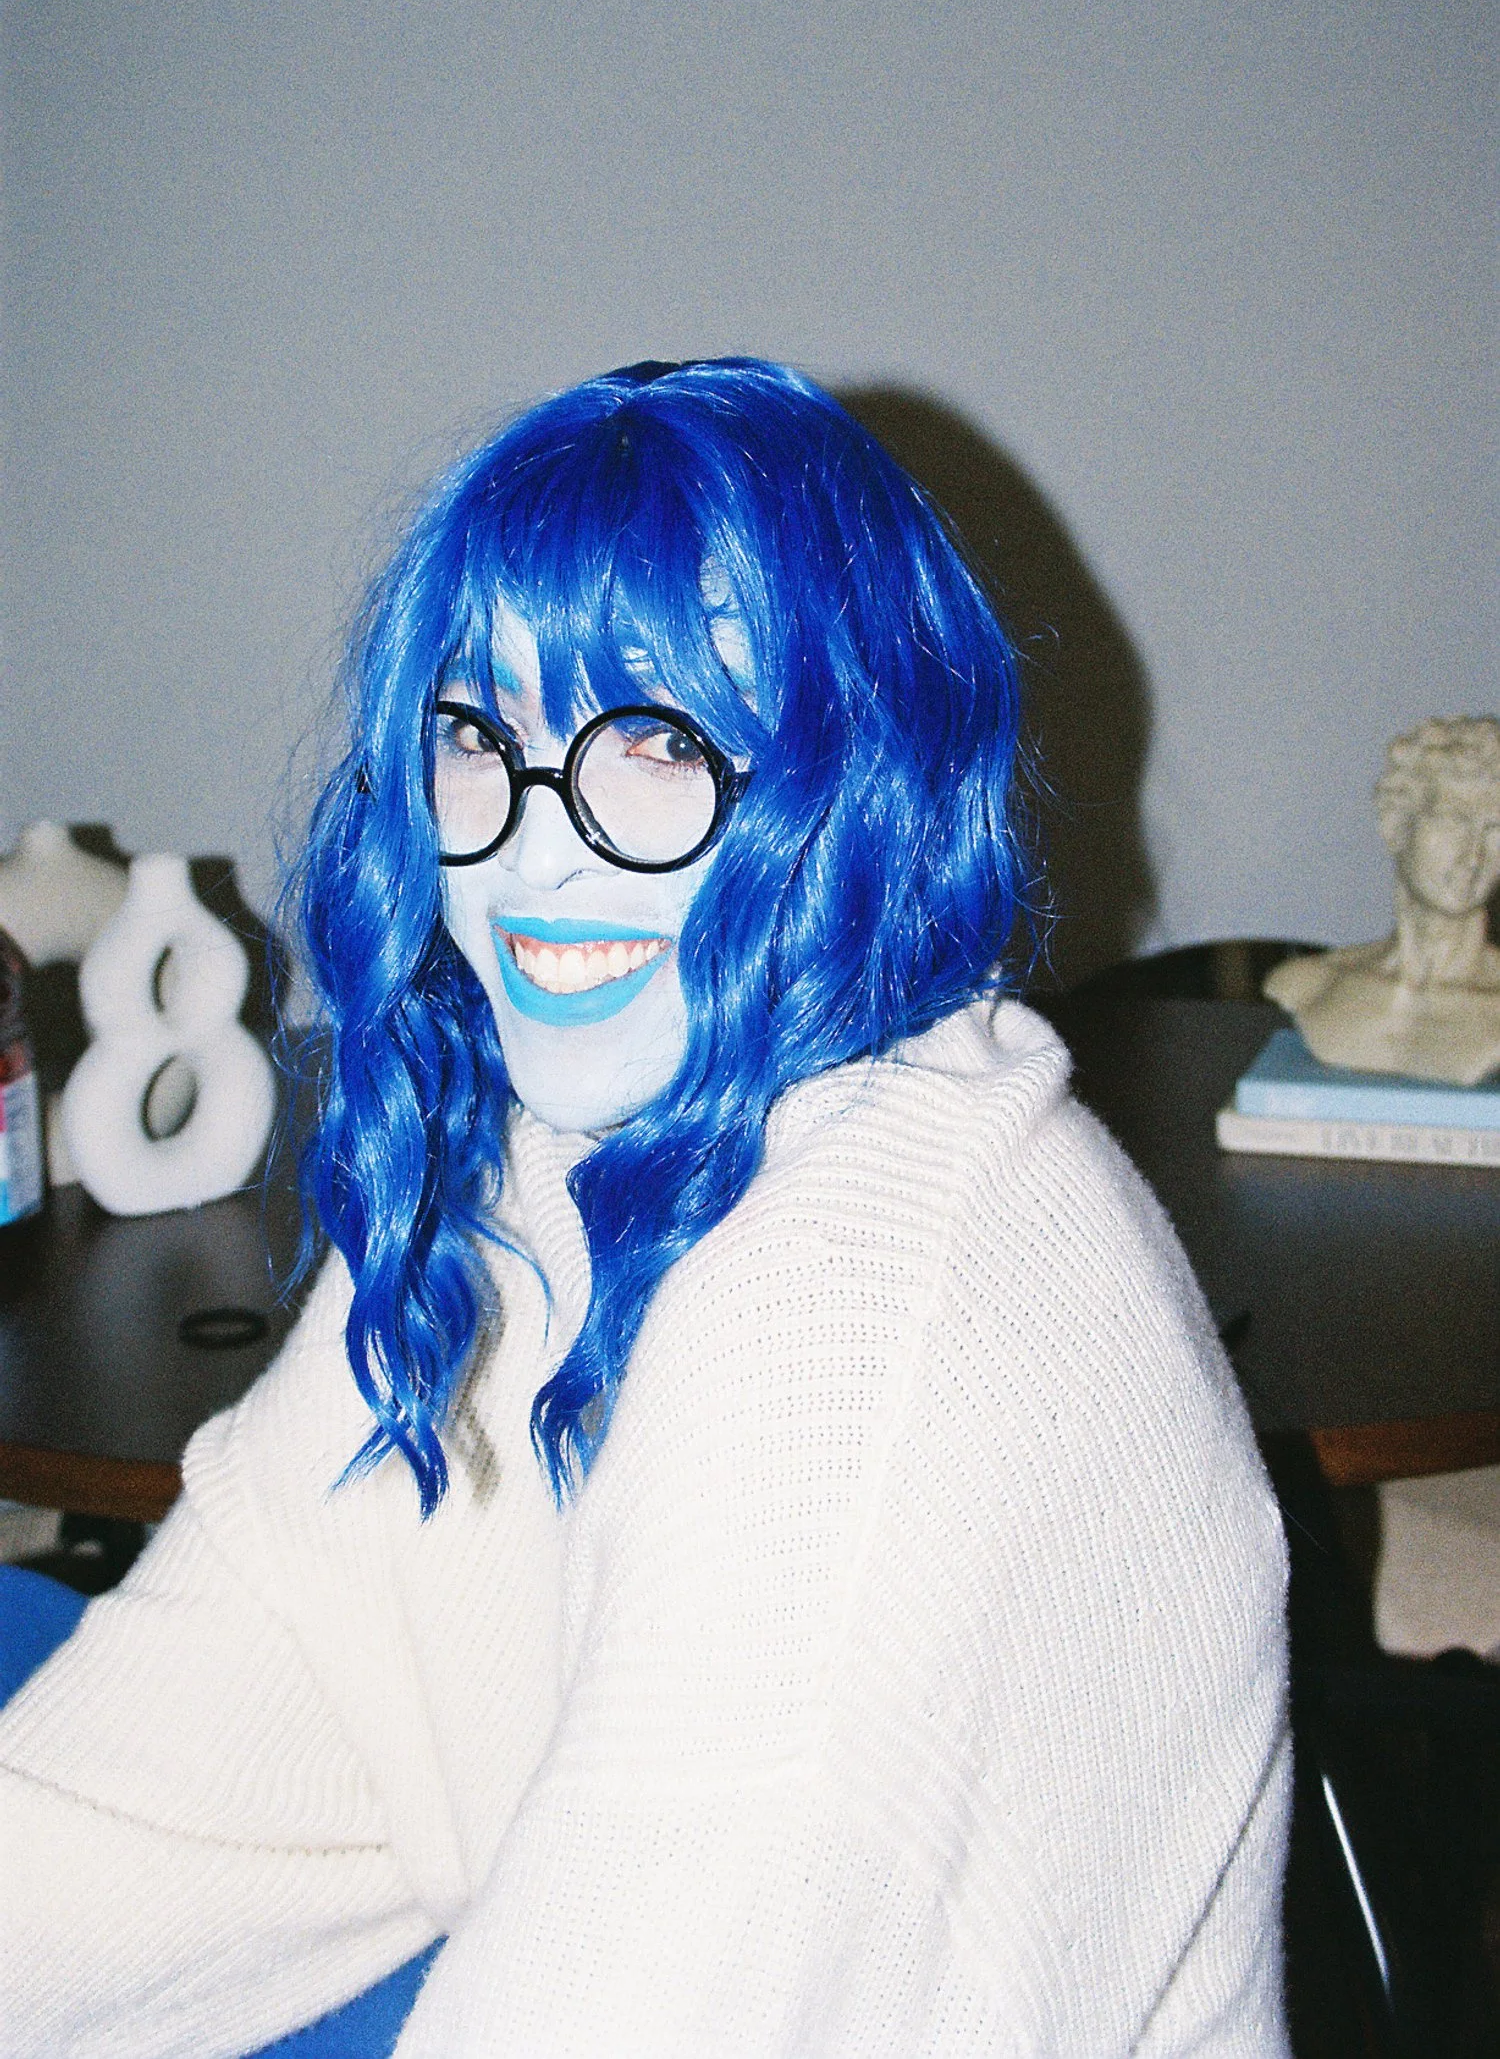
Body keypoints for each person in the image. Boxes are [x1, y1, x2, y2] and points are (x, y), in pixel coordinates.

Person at [0, 359, 1290, 2056]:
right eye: (477, 739)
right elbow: (181, 1760)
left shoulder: (863, 1327)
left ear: (863, 770)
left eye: (660, 743)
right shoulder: (549, 1158)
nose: (537, 855)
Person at [1265, 714, 1500, 1086]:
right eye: (1454, 821)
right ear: (1396, 826)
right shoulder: (1312, 984)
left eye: (1493, 829)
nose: (1474, 856)